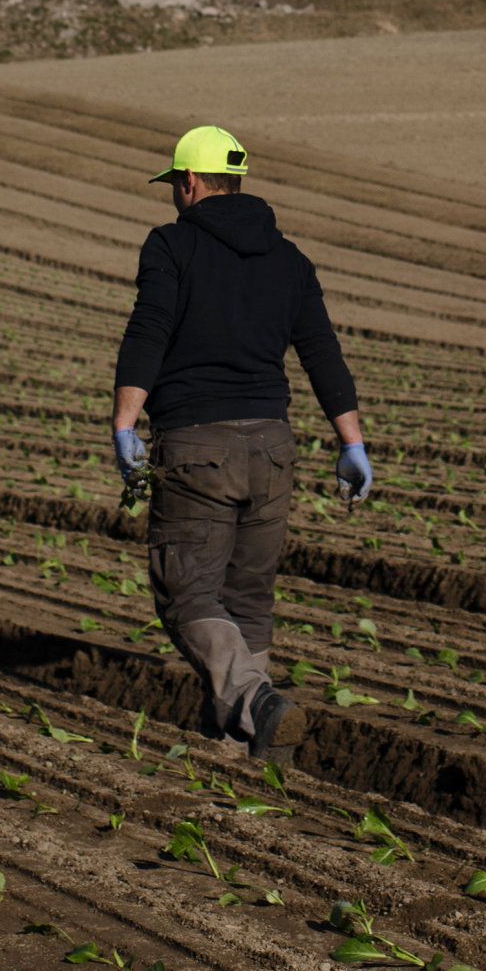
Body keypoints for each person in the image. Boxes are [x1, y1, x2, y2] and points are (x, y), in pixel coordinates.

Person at [111, 124, 370, 758]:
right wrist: (351, 442)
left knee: (186, 592)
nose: (175, 194)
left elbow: (149, 331)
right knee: (247, 598)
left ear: (191, 183)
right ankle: (250, 745)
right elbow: (322, 354)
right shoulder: (290, 259)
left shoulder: (172, 247)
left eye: (176, 183)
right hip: (275, 449)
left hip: (200, 444)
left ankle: (254, 701)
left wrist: (124, 423)